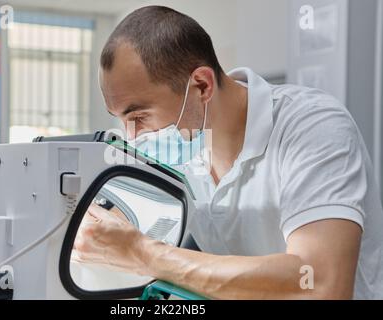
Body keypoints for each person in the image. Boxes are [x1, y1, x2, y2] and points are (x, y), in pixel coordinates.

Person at [73, 5, 383, 299]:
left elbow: (319, 283)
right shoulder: (182, 147)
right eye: (122, 120)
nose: (133, 136)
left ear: (202, 86)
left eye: (139, 117)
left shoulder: (312, 127)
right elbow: (125, 220)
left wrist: (144, 254)